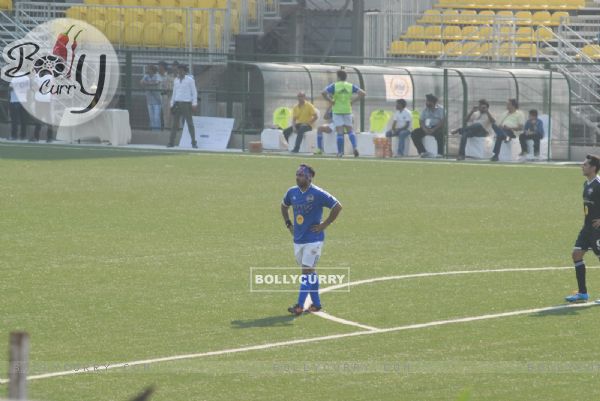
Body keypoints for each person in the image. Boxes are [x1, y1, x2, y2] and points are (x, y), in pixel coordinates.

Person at [281, 164, 342, 315]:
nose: (297, 177)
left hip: (314, 239)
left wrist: (325, 224)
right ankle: (316, 304)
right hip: (298, 239)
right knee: (309, 271)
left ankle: (299, 306)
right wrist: (288, 223)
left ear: (309, 177)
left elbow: (337, 206)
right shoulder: (292, 192)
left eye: (301, 175)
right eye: (297, 174)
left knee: (306, 271)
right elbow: (283, 206)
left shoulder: (318, 193)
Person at [566, 154, 600, 303]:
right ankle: (582, 293)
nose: (582, 166)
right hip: (587, 228)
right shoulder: (586, 184)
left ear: (593, 168)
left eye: (585, 164)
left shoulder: (598, 184)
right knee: (576, 254)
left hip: (597, 229)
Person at [322, 69, 366, 158]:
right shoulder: (350, 86)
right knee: (350, 131)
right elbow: (363, 93)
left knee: (340, 132)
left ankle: (340, 152)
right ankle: (355, 147)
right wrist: (353, 101)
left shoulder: (335, 85)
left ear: (338, 77)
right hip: (347, 110)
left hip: (337, 111)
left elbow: (323, 93)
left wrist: (331, 101)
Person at [168, 64, 198, 148]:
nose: (179, 72)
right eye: (179, 70)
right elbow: (174, 93)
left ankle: (193, 142)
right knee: (174, 124)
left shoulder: (190, 80)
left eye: (181, 70)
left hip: (186, 103)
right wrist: (171, 103)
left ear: (185, 71)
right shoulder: (176, 80)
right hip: (177, 103)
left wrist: (194, 103)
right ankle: (171, 142)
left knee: (189, 123)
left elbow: (194, 92)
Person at [410, 93, 445, 158]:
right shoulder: (425, 110)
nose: (426, 103)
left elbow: (442, 121)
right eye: (426, 101)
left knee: (440, 134)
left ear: (433, 102)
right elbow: (421, 121)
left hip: (437, 127)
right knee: (414, 133)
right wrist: (424, 129)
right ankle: (422, 152)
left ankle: (440, 153)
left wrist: (433, 129)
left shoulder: (441, 109)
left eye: (428, 101)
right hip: (426, 127)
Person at [31, 70, 54, 142]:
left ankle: (47, 137)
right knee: (41, 119)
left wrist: (37, 82)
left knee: (46, 119)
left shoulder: (49, 77)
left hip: (44, 100)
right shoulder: (38, 77)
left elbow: (42, 88)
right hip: (41, 100)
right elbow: (34, 88)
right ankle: (38, 137)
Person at [140, 64, 163, 131]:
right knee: (152, 118)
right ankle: (153, 131)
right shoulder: (146, 76)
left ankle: (157, 131)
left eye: (148, 69)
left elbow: (157, 83)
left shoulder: (157, 75)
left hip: (157, 100)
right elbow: (141, 82)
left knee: (156, 117)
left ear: (152, 70)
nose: (147, 70)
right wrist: (149, 83)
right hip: (149, 100)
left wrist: (147, 83)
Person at [9, 74, 30, 140]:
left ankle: (14, 136)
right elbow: (28, 89)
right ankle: (23, 136)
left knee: (14, 120)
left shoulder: (14, 77)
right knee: (23, 120)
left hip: (15, 100)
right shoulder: (27, 78)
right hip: (24, 100)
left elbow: (10, 88)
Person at [158, 61, 174, 131]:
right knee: (165, 114)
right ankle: (166, 129)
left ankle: (170, 128)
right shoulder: (160, 76)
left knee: (170, 114)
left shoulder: (169, 77)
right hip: (163, 97)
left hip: (170, 97)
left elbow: (170, 88)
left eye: (160, 66)